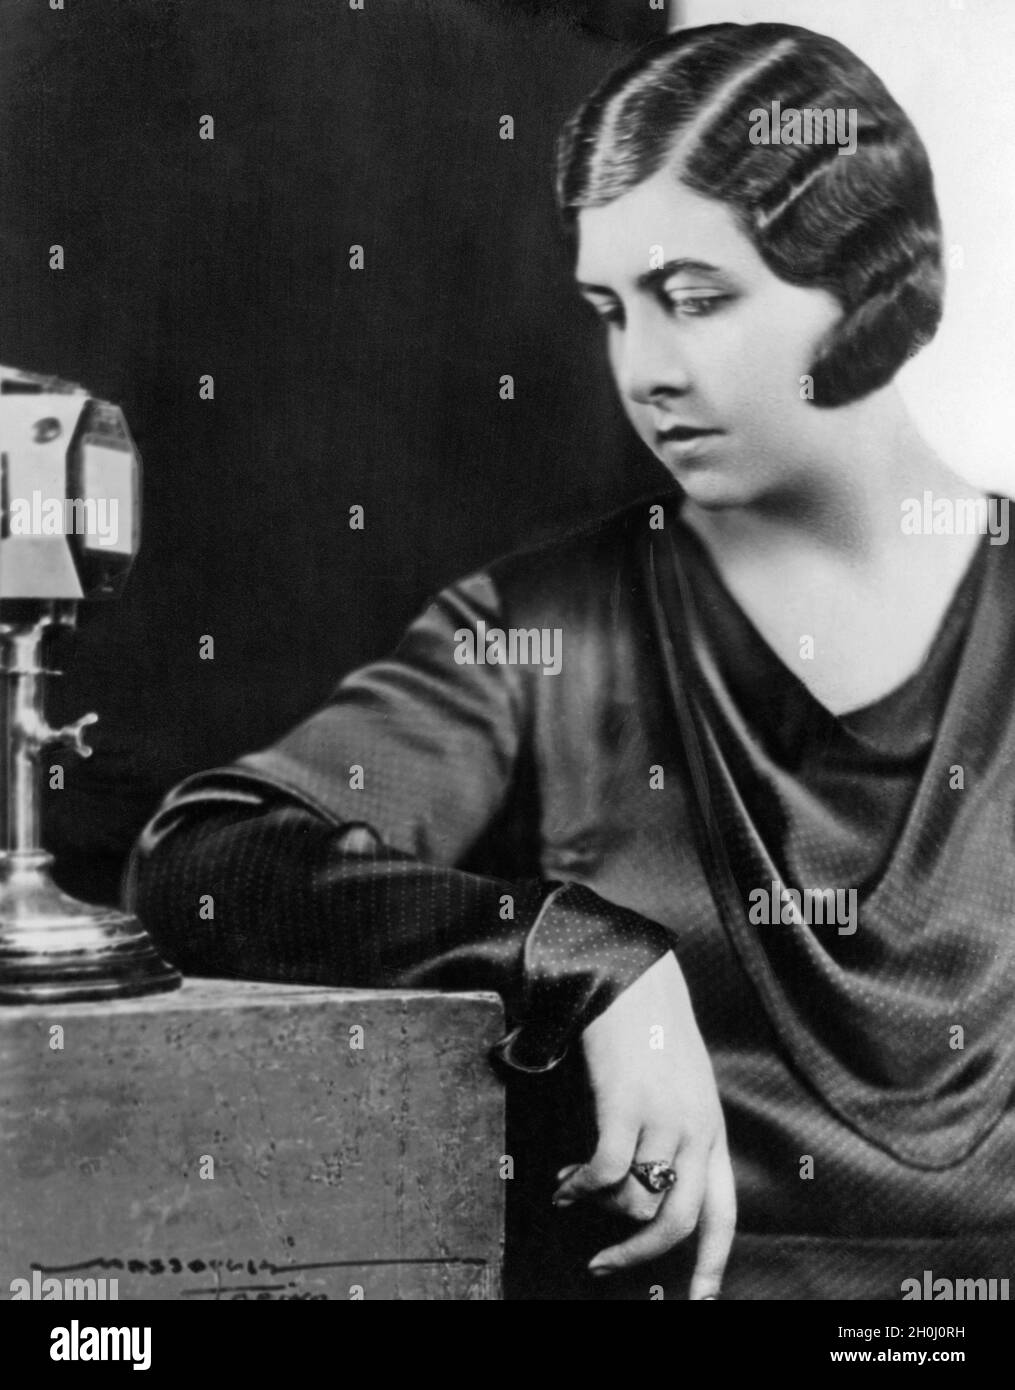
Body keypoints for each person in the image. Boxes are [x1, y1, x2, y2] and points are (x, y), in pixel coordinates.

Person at [126, 22, 1015, 1300]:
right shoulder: (550, 628)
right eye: (611, 310)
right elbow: (204, 856)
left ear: (869, 285)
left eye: (696, 300)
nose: (645, 371)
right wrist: (572, 949)